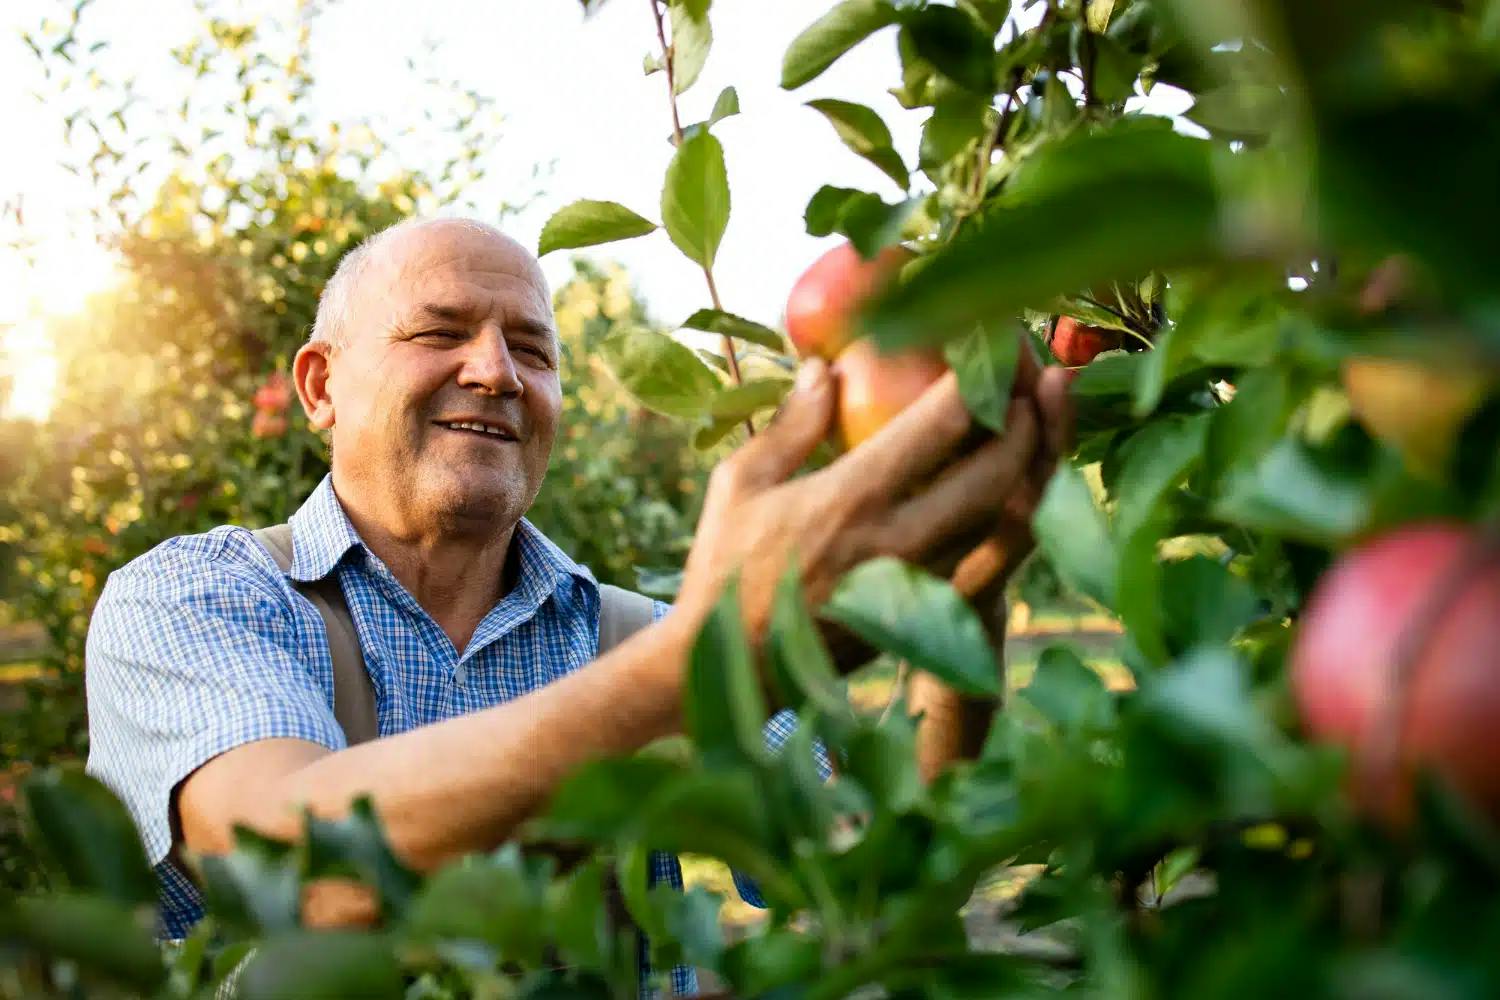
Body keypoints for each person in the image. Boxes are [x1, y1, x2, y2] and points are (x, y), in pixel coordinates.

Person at [84, 217, 1072, 990]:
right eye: (440, 331)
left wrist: (967, 597)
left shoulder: (631, 639)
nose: (496, 371)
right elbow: (305, 877)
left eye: (532, 348)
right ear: (320, 385)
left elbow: (884, 877)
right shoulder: (194, 602)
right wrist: (700, 667)